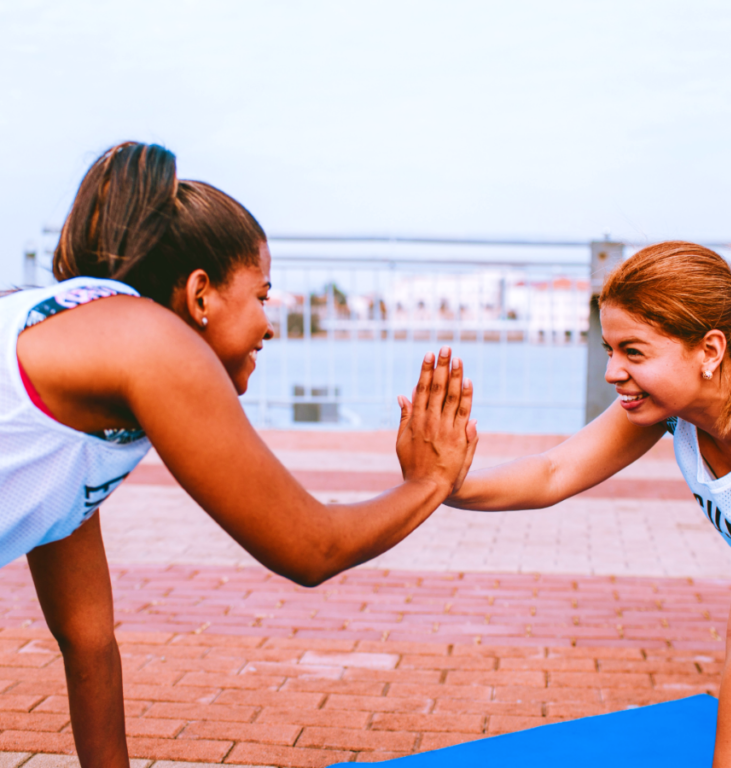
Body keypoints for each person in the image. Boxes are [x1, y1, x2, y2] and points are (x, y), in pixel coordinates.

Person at [2, 141, 478, 767]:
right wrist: (430, 481)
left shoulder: (84, 360)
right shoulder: (149, 342)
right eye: (262, 294)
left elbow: (89, 639)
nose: (270, 323)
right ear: (200, 295)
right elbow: (311, 548)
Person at [446, 241, 731, 768]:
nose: (612, 372)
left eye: (633, 352)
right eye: (610, 350)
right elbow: (554, 472)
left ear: (709, 351)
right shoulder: (672, 408)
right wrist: (443, 482)